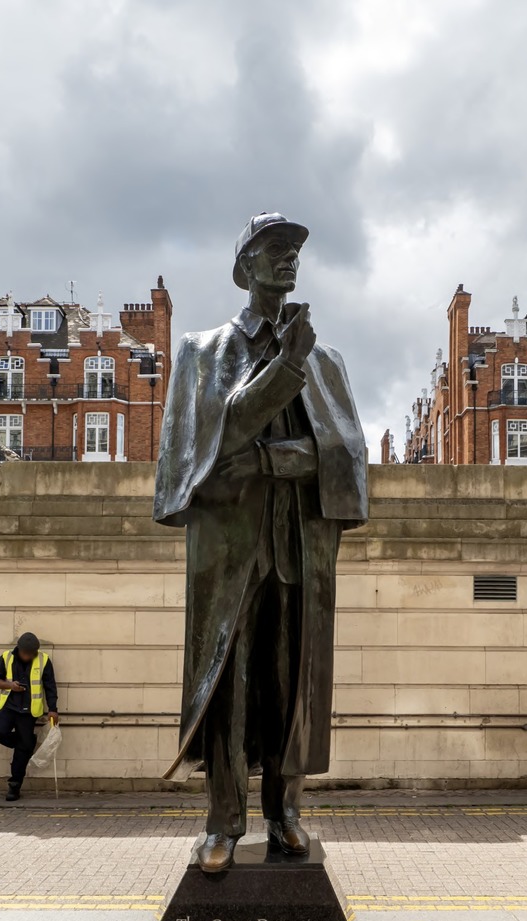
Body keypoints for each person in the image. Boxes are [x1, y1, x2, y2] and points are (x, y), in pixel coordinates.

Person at [153, 213, 368, 872]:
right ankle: (222, 821)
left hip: (299, 552)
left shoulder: (324, 361)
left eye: (295, 251)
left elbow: (350, 462)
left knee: (290, 686)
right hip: (231, 554)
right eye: (274, 250)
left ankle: (285, 813)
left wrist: (279, 461)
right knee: (229, 691)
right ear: (244, 267)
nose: (288, 260)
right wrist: (286, 366)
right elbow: (209, 448)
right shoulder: (202, 352)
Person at [0, 632, 58, 802]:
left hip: (29, 711)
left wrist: (53, 710)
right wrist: (10, 685)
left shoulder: (43, 660)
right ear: (19, 650)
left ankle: (14, 786)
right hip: (8, 707)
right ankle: (25, 743)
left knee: (22, 752)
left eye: (32, 654)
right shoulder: (6, 658)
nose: (29, 657)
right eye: (26, 654)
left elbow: (50, 687)